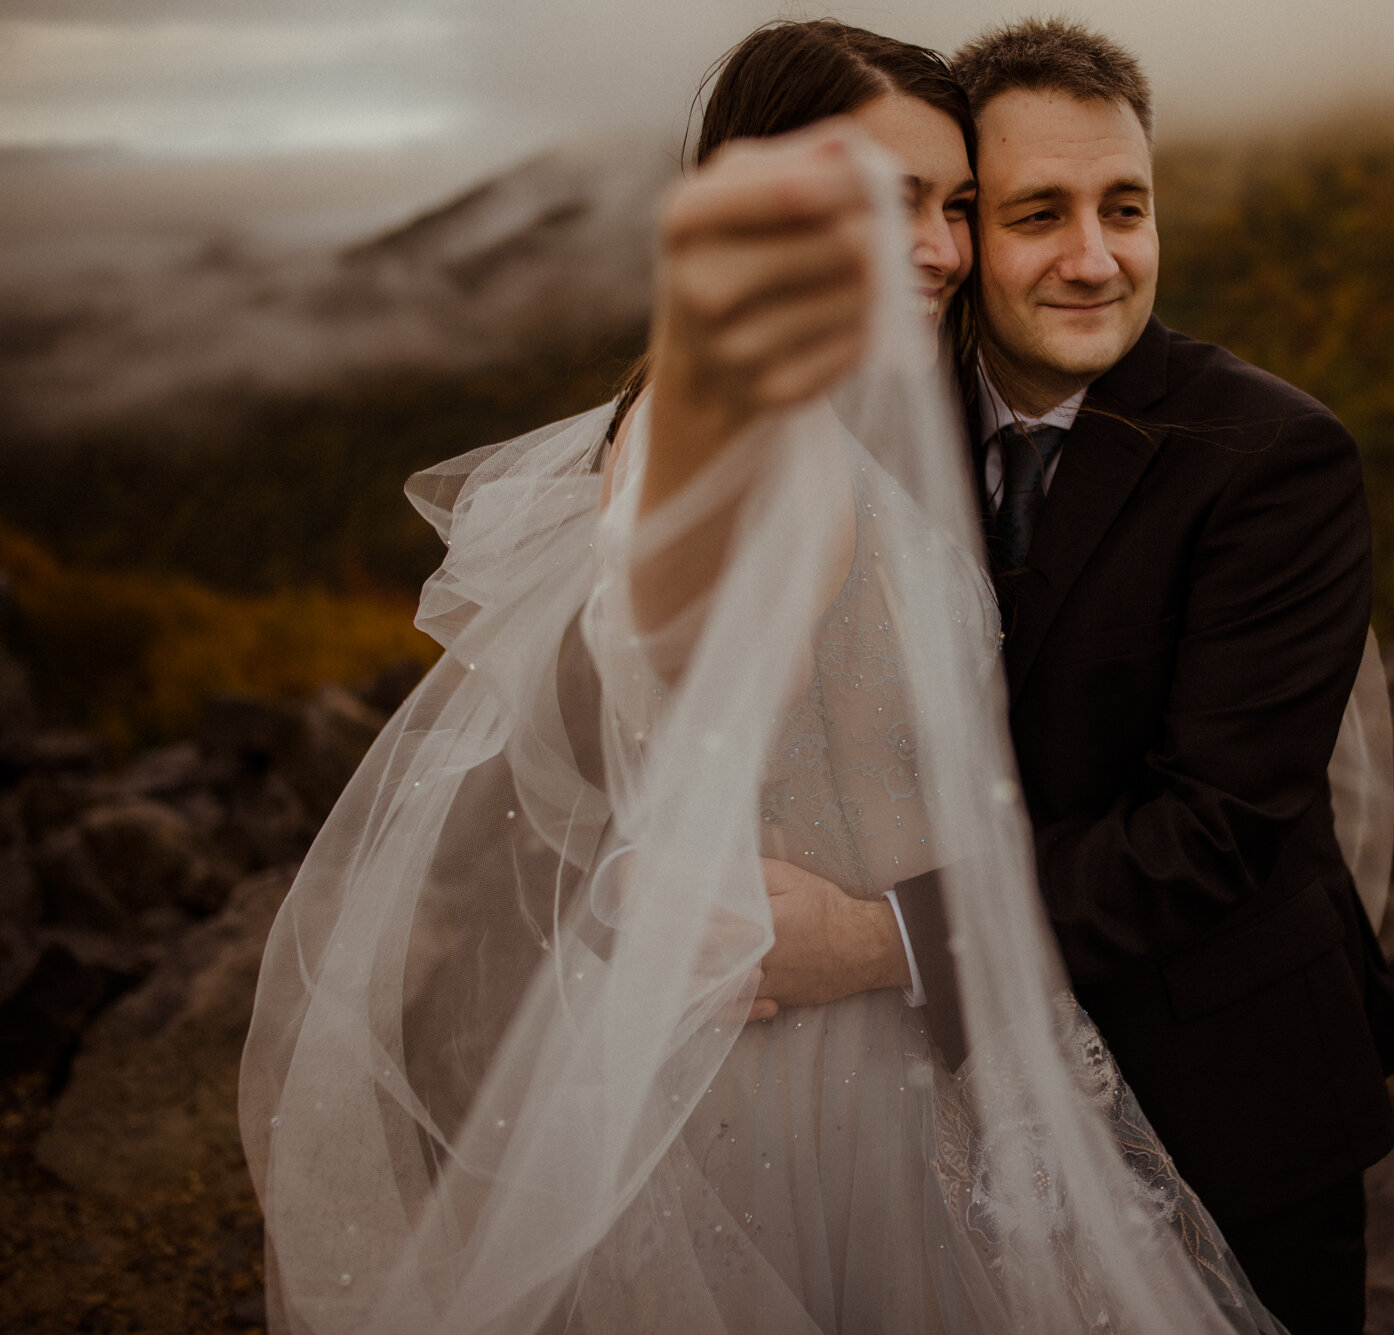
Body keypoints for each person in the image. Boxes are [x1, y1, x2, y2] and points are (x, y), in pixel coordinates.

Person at [240, 20, 1293, 1335]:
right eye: (888, 196)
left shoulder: (826, 415)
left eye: (956, 204)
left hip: (883, 1024)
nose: (945, 248)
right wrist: (712, 384)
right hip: (823, 1067)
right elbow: (688, 656)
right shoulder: (755, 438)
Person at [761, 19, 1394, 1334]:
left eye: (1124, 207)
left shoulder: (1274, 459)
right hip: (941, 1111)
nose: (1094, 258)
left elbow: (1216, 830)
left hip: (1224, 1098)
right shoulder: (875, 424)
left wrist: (873, 939)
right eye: (1035, 213)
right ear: (959, 235)